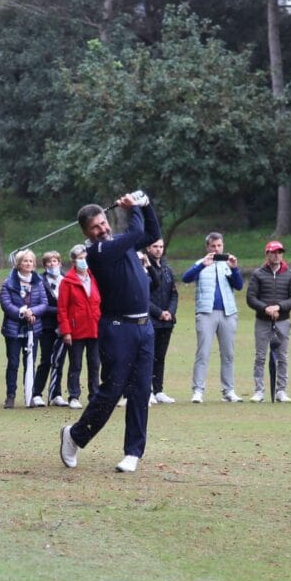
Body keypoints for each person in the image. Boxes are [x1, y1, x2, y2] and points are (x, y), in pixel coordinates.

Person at [59, 192, 161, 473]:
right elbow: (138, 229)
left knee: (141, 391)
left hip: (144, 328)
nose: (103, 229)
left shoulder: (119, 242)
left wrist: (147, 205)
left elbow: (151, 232)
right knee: (112, 390)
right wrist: (133, 207)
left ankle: (133, 452)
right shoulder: (98, 252)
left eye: (104, 223)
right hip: (118, 329)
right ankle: (75, 435)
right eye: (95, 227)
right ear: (86, 233)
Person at [183, 231, 243, 403]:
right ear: (207, 247)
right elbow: (186, 278)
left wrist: (235, 269)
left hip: (227, 313)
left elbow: (238, 286)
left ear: (223, 246)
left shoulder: (228, 264)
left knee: (228, 354)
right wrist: (202, 264)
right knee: (203, 353)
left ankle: (228, 391)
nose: (216, 249)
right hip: (206, 313)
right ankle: (198, 391)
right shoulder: (200, 264)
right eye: (213, 246)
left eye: (219, 246)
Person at [245, 240, 291, 403]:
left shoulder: (290, 274)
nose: (277, 255)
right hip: (263, 320)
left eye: (279, 252)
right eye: (273, 252)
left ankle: (281, 390)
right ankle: (259, 390)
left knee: (282, 356)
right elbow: (251, 298)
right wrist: (265, 308)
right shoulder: (258, 274)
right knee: (260, 356)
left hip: (282, 320)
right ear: (267, 254)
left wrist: (279, 307)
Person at [54, 244, 101, 409]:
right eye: (80, 258)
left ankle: (94, 395)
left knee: (94, 364)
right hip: (76, 330)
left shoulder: (93, 278)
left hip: (94, 328)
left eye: (85, 257)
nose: (84, 261)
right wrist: (66, 331)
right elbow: (62, 308)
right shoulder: (67, 282)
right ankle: (74, 395)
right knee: (76, 364)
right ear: (74, 261)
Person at [0, 250, 47, 408]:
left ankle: (30, 395)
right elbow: (6, 304)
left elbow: (43, 303)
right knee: (13, 363)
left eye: (31, 261)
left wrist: (33, 312)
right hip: (13, 330)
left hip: (33, 330)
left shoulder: (38, 282)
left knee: (30, 363)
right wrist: (23, 313)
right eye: (25, 261)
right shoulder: (8, 283)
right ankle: (10, 395)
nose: (28, 264)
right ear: (19, 264)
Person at [144, 239, 178, 405]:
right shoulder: (144, 269)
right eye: (155, 247)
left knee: (160, 357)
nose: (158, 250)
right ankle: (147, 390)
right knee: (148, 357)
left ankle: (159, 390)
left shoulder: (167, 269)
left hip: (167, 321)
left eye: (161, 247)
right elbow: (145, 297)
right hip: (152, 320)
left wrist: (170, 312)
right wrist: (159, 313)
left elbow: (174, 294)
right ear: (148, 248)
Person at [29, 251, 63, 408]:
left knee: (60, 361)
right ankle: (36, 393)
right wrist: (60, 310)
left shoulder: (66, 279)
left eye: (54, 261)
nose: (52, 264)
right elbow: (40, 305)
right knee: (46, 360)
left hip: (64, 326)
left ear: (59, 263)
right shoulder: (40, 281)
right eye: (48, 262)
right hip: (47, 326)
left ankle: (56, 393)